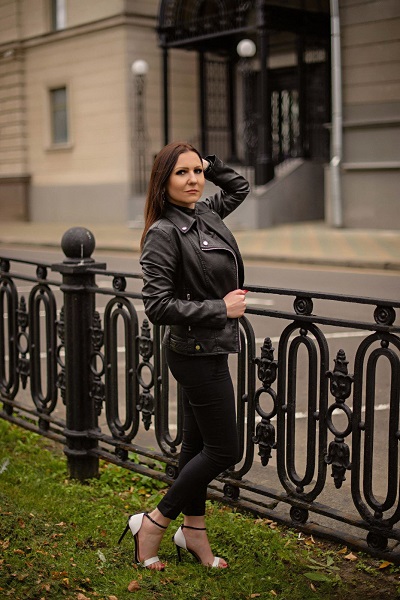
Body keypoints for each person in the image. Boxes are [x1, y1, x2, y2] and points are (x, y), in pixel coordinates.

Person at [118, 141, 250, 570]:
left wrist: (209, 162)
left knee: (195, 446)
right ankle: (153, 522)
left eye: (197, 172)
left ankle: (194, 532)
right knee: (224, 450)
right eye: (182, 172)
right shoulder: (164, 232)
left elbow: (240, 187)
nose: (194, 179)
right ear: (163, 181)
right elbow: (157, 306)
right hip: (195, 352)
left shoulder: (205, 213)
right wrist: (220, 309)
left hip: (210, 348)